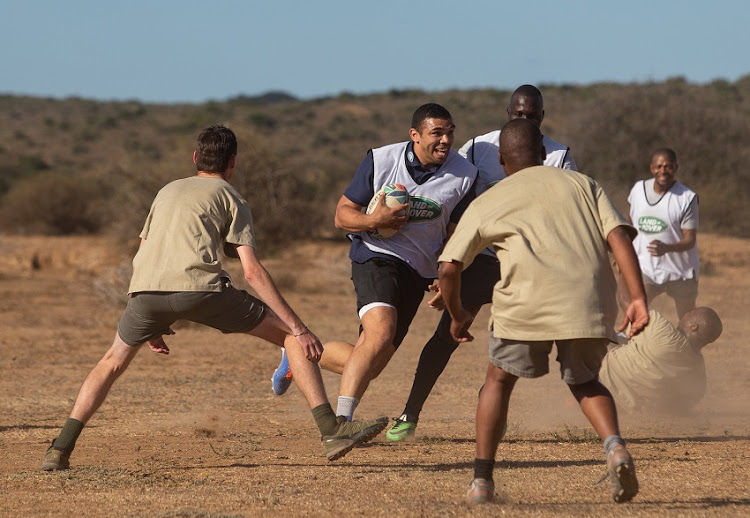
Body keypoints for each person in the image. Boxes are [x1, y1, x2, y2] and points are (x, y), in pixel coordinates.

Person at [41, 125, 387, 471]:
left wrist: (151, 319)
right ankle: (331, 430)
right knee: (290, 337)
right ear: (232, 163)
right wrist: (300, 327)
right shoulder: (230, 197)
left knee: (111, 362)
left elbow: (141, 253)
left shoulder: (166, 191)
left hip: (143, 292)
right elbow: (251, 271)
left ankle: (59, 448)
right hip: (201, 290)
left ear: (195, 158)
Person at [437, 118, 649, 505]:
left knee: (497, 381)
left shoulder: (490, 200)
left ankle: (482, 483)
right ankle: (615, 447)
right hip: (586, 300)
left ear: (501, 159)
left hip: (524, 303)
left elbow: (449, 267)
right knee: (585, 381)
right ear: (544, 153)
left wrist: (457, 314)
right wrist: (637, 296)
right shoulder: (583, 184)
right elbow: (618, 235)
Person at [386, 84, 579, 442]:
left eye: (532, 115)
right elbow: (451, 200)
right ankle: (409, 413)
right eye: (518, 114)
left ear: (542, 117)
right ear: (508, 113)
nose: (525, 119)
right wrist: (445, 263)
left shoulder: (560, 155)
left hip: (528, 264)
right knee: (446, 335)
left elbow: (566, 209)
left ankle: (493, 403)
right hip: (482, 257)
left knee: (517, 340)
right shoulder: (478, 147)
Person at [272, 103, 478, 422]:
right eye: (437, 133)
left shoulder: (465, 174)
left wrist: (445, 273)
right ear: (415, 135)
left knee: (372, 362)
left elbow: (454, 234)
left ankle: (298, 354)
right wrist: (374, 219)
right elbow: (342, 216)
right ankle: (341, 423)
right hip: (376, 256)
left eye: (450, 133)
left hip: (418, 271)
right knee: (380, 334)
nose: (446, 140)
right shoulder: (382, 160)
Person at [619, 148, 699, 319]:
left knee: (688, 321)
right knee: (637, 308)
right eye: (659, 166)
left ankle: (687, 346)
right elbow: (630, 225)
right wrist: (623, 251)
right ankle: (646, 342)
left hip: (680, 270)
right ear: (651, 168)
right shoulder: (638, 190)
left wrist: (667, 248)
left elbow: (690, 240)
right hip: (647, 267)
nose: (663, 171)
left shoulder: (686, 198)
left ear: (676, 168)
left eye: (668, 167)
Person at [599, 307, 722, 414]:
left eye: (690, 313)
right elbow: (685, 404)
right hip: (624, 407)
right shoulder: (699, 376)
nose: (685, 313)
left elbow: (630, 303)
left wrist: (630, 280)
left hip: (600, 379)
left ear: (693, 326)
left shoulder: (663, 331)